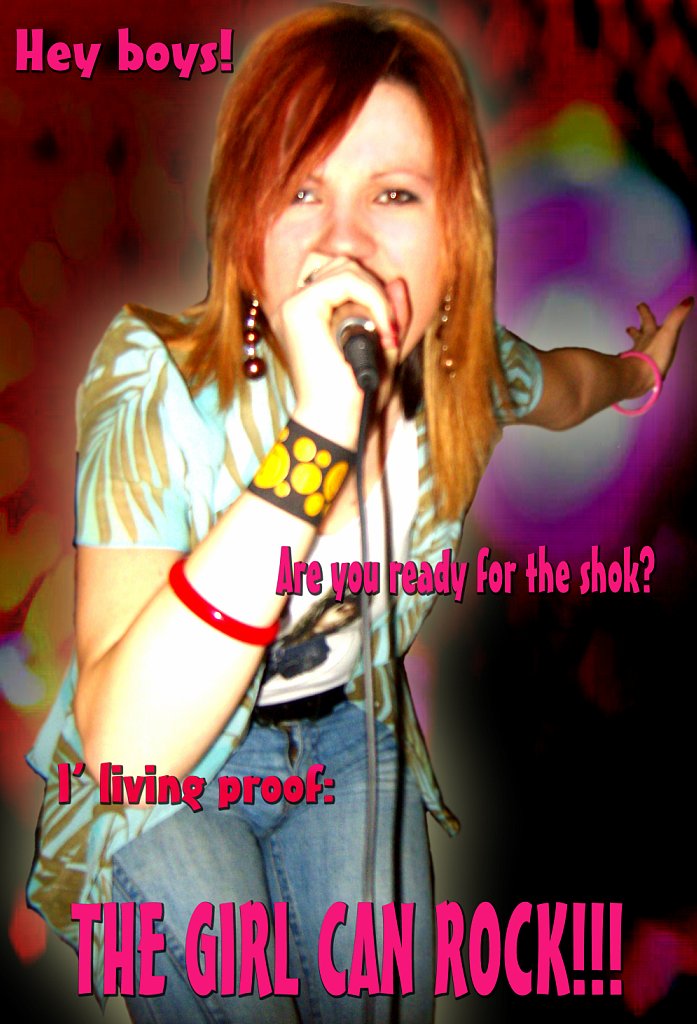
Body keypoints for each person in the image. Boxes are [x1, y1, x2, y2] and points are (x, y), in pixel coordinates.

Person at [26, 5, 691, 1023]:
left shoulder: (462, 376)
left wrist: (638, 372)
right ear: (247, 223)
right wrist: (317, 437)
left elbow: (563, 385)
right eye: (301, 187)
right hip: (173, 777)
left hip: (346, 738)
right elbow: (125, 751)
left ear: (452, 234)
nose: (343, 239)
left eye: (393, 192)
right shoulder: (153, 378)